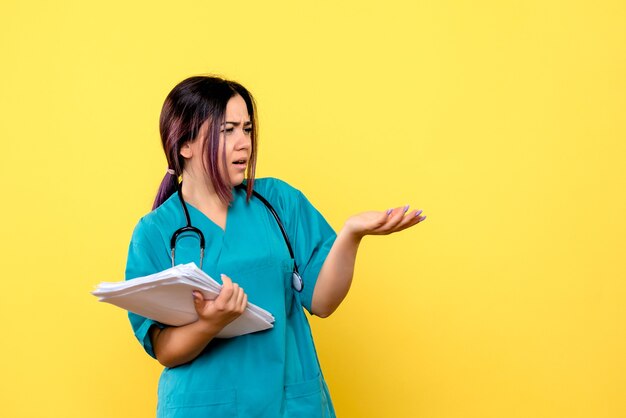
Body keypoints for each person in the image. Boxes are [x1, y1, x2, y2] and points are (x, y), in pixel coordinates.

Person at [125, 75, 426, 418]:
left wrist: (351, 235)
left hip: (290, 404)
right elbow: (164, 349)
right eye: (228, 131)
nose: (244, 143)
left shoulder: (278, 202)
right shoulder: (155, 233)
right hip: (204, 407)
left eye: (247, 129)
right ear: (185, 145)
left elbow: (323, 302)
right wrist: (211, 323)